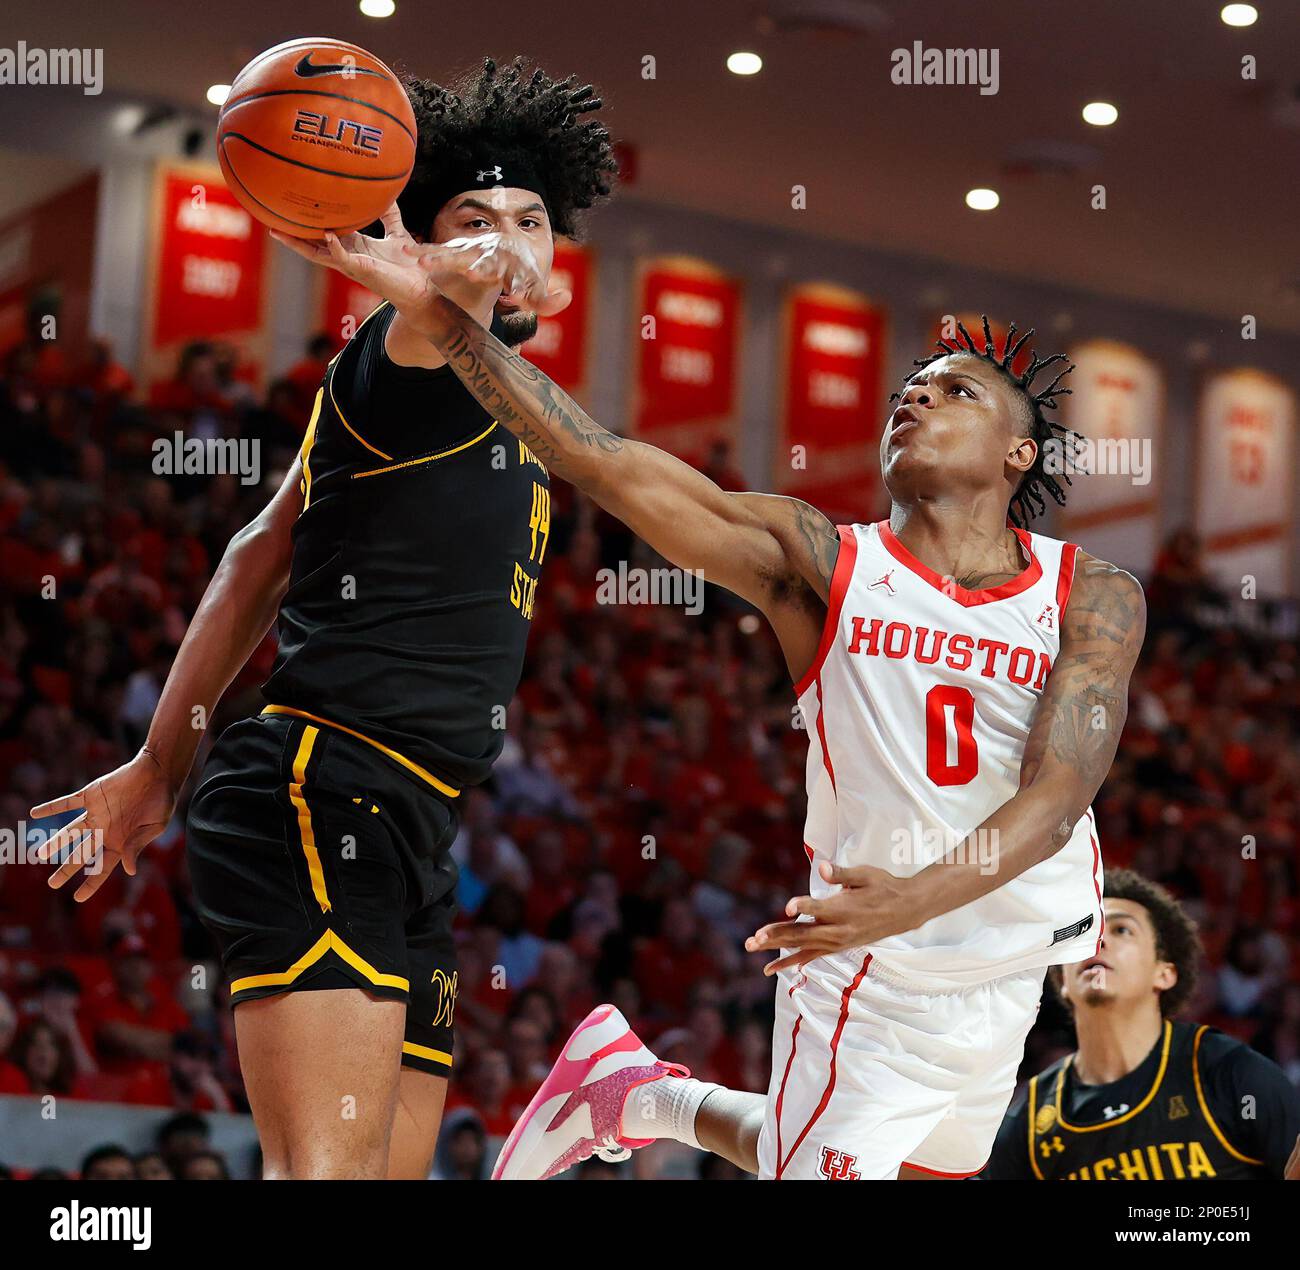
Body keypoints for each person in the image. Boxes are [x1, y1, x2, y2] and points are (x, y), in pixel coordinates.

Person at [277, 195, 1147, 1179]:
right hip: (867, 969)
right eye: (909, 388)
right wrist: (440, 316)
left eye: (954, 393)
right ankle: (640, 1091)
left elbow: (1058, 794)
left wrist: (914, 899)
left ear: (1017, 453)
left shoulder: (1094, 594)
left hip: (1001, 973)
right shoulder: (818, 562)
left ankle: (637, 1090)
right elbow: (599, 461)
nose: (914, 398)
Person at [30, 56, 616, 1180]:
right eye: (474, 213)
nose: (508, 239)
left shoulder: (492, 387)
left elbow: (258, 552)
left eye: (533, 219)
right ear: (416, 236)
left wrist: (160, 769)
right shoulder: (410, 353)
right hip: (318, 782)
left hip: (419, 819)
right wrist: (161, 764)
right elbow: (459, 297)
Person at [983, 869, 1300, 1180]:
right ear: (1062, 979)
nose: (1098, 941)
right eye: (1085, 931)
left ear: (1165, 973)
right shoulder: (1031, 1116)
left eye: (1121, 930)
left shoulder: (1229, 1073)